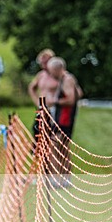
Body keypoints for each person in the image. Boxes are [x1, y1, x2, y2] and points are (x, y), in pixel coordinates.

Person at [45, 56, 83, 186]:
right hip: (62, 118)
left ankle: (59, 179)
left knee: (56, 146)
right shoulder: (67, 79)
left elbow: (71, 99)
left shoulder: (67, 80)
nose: (50, 74)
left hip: (64, 119)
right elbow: (80, 92)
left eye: (51, 71)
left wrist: (53, 101)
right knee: (62, 148)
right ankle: (64, 179)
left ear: (57, 69)